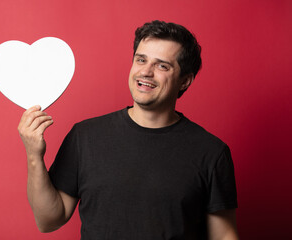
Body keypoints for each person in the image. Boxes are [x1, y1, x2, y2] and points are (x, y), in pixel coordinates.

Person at [18, 20, 239, 239]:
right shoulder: (85, 137)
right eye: (141, 60)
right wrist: (34, 155)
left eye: (162, 65)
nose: (146, 72)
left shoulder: (211, 152)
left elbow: (223, 235)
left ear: (184, 81)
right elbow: (49, 220)